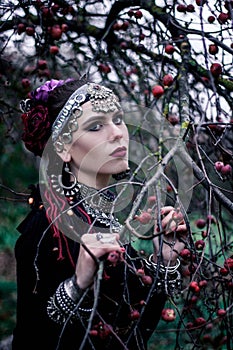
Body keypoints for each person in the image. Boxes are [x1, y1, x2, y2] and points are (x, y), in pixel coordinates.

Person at [12, 78, 188, 350]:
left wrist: (164, 260)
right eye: (95, 126)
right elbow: (31, 340)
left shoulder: (101, 216)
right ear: (63, 148)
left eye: (118, 119)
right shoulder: (48, 228)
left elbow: (130, 335)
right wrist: (76, 285)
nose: (118, 133)